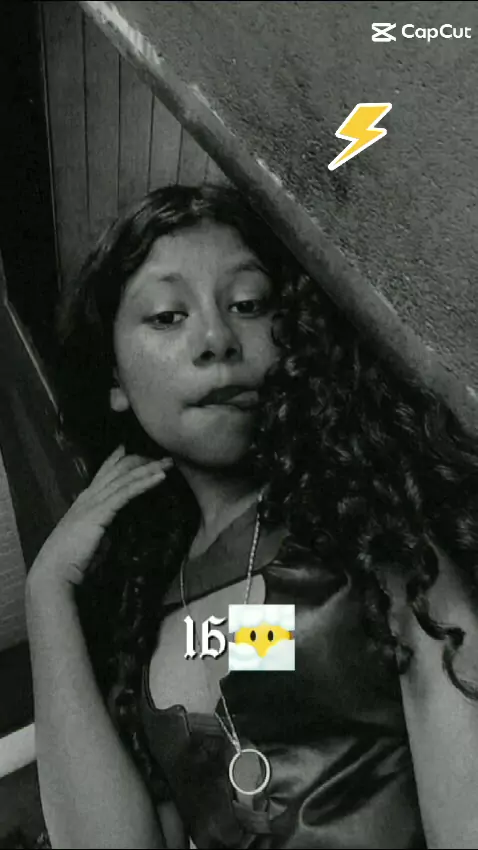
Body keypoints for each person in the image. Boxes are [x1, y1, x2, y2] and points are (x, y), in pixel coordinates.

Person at [26, 184, 478, 850]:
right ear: (115, 379)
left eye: (247, 304)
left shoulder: (376, 533)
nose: (216, 339)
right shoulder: (143, 612)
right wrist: (46, 593)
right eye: (167, 316)